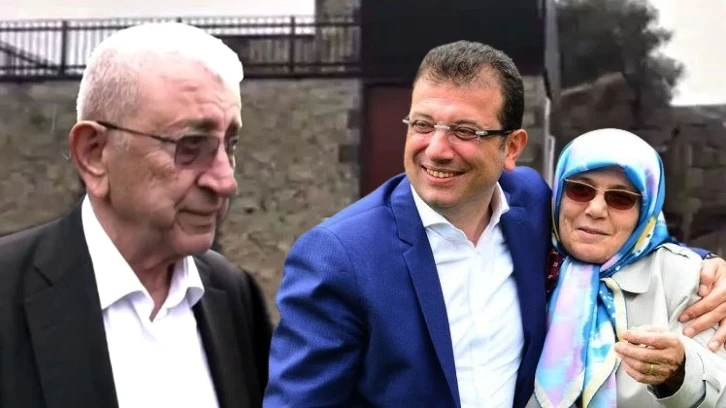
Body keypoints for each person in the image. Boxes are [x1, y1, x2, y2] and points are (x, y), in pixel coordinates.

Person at [264, 40, 726, 408]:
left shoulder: (532, 205)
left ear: (512, 148)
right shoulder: (338, 256)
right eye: (422, 124)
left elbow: (621, 237)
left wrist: (706, 269)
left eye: (465, 131)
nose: (437, 149)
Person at [0, 23, 271, 408]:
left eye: (230, 145)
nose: (225, 181)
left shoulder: (233, 295)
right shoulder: (9, 292)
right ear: (94, 154)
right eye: (191, 145)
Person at [531, 129, 726, 407]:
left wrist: (681, 371)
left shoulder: (690, 279)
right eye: (580, 190)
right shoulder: (526, 261)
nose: (595, 209)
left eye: (620, 198)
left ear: (646, 211)